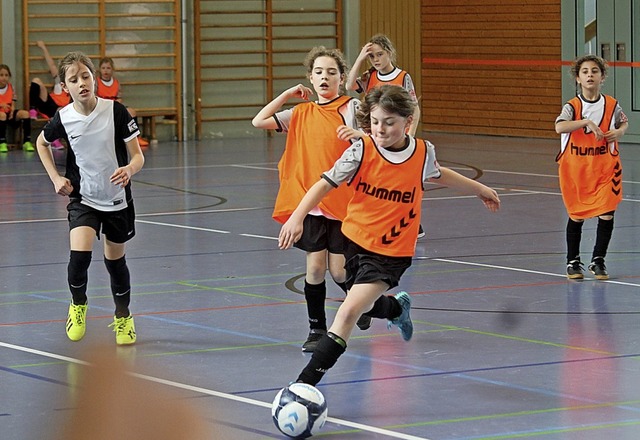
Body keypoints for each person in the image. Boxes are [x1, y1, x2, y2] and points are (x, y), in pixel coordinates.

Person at [278, 85, 500, 386]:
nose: (380, 129)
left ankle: (301, 386)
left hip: (392, 250)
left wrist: (480, 189)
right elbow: (324, 184)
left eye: (389, 122)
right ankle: (396, 308)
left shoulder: (422, 153)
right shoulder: (361, 150)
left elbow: (438, 173)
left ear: (407, 122)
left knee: (348, 312)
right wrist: (297, 217)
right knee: (367, 303)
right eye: (375, 121)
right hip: (355, 240)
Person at [252, 46, 368, 352]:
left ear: (342, 78)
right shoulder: (301, 112)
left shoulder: (351, 108)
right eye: (318, 72)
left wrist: (359, 137)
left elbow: (378, 138)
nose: (324, 77)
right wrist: (288, 94)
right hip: (312, 202)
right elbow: (259, 121)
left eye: (331, 72)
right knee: (315, 269)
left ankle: (367, 304)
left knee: (339, 271)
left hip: (344, 201)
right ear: (310, 79)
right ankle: (316, 330)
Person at [35, 51, 145, 345]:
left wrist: (129, 169)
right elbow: (41, 143)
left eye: (85, 76)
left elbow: (138, 156)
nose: (81, 83)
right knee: (79, 257)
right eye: (73, 79)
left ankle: (123, 318)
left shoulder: (117, 112)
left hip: (117, 200)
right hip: (83, 198)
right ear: (65, 87)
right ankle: (78, 305)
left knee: (115, 262)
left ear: (94, 79)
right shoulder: (64, 118)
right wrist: (56, 178)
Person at [555, 54, 628, 281]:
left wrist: (619, 131)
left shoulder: (612, 104)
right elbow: (559, 127)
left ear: (602, 77)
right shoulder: (572, 107)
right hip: (577, 172)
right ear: (578, 78)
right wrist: (586, 122)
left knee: (607, 213)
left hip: (605, 169)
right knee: (576, 216)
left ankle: (598, 260)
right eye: (585, 72)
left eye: (594, 71)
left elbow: (624, 121)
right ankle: (573, 261)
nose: (590, 75)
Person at [346, 34, 425, 238]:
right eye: (372, 56)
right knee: (375, 178)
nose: (376, 60)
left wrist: (409, 134)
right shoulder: (369, 76)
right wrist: (360, 58)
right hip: (373, 135)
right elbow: (348, 86)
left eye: (379, 55)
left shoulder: (402, 77)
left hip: (396, 135)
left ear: (389, 53)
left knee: (400, 179)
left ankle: (413, 222)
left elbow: (414, 108)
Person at [96, 57, 148, 146]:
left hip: (114, 106)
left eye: (108, 68)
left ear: (112, 70)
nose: (106, 71)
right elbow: (95, 97)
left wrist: (116, 104)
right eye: (103, 68)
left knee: (132, 112)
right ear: (100, 70)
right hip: (102, 106)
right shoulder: (96, 82)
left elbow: (119, 97)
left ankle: (136, 137)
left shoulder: (116, 82)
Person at [29, 40, 70, 149]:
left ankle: (55, 139)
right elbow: (51, 64)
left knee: (60, 111)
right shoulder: (59, 82)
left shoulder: (72, 88)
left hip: (60, 112)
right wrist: (43, 47)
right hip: (49, 106)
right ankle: (32, 109)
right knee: (36, 80)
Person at [0, 64, 34, 152]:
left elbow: (13, 101)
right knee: (2, 115)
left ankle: (27, 142)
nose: (4, 77)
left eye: (6, 75)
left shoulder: (11, 87)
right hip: (1, 113)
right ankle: (2, 142)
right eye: (1, 75)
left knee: (25, 114)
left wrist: (12, 111)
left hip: (9, 112)